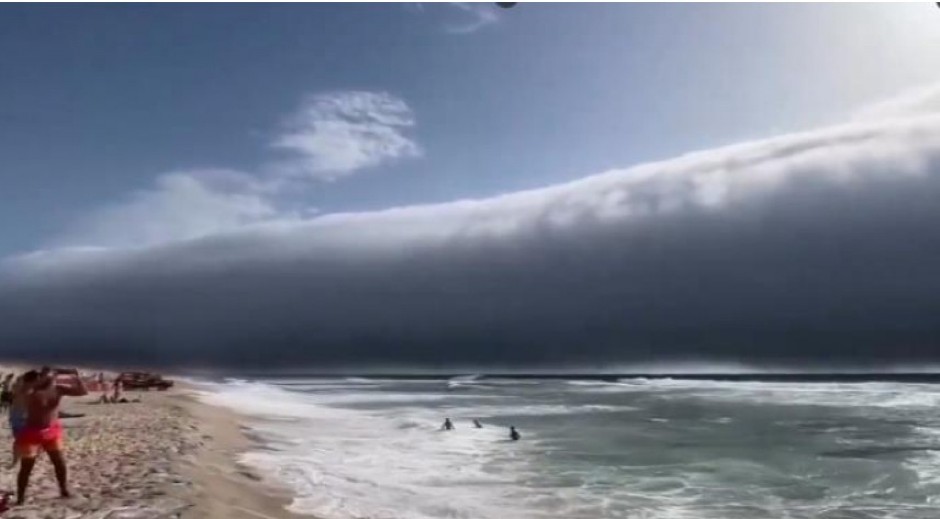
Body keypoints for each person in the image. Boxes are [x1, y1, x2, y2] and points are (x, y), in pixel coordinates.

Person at [15, 368, 88, 505]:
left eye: (53, 376)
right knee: (27, 467)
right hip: (32, 432)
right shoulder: (33, 389)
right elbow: (24, 392)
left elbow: (82, 391)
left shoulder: (58, 389)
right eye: (50, 376)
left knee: (59, 462)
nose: (53, 378)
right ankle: (20, 497)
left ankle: (64, 489)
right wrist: (45, 377)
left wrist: (76, 376)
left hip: (52, 431)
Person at [8, 371, 38, 469]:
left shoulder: (19, 387)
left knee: (20, 440)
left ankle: (16, 461)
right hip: (20, 416)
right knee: (23, 440)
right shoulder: (27, 389)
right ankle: (18, 460)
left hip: (16, 415)